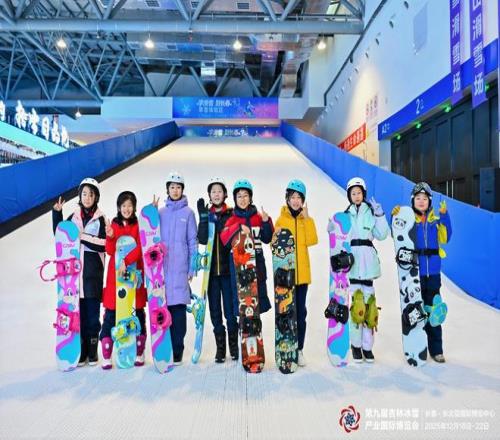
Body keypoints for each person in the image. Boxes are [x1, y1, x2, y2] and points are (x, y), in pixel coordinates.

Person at [393, 182, 452, 363]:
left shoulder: (435, 221)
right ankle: (419, 346)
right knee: (418, 310)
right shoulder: (411, 221)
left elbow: (446, 237)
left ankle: (436, 349)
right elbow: (398, 235)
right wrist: (396, 216)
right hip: (415, 273)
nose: (421, 201)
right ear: (412, 201)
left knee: (433, 311)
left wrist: (444, 216)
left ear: (429, 201)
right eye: (418, 198)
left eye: (424, 198)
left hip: (433, 273)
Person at [52, 178, 106, 367]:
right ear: (80, 196)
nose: (87, 197)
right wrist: (57, 214)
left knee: (92, 316)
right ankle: (81, 351)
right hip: (74, 279)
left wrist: (81, 237)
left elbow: (103, 244)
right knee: (80, 316)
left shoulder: (101, 219)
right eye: (84, 194)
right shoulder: (73, 217)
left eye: (91, 194)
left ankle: (92, 350)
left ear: (96, 197)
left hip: (92, 276)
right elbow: (61, 235)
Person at [100, 191, 148, 369]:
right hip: (116, 279)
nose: (126, 209)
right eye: (123, 206)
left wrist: (126, 261)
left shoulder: (138, 225)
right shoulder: (114, 224)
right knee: (111, 313)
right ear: (119, 208)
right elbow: (110, 251)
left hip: (134, 276)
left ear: (134, 207)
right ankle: (106, 354)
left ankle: (139, 351)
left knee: (137, 312)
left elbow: (141, 248)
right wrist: (110, 236)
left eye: (129, 205)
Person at [344, 177, 389, 363]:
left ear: (364, 194)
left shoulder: (370, 212)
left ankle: (368, 347)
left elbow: (382, 234)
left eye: (359, 193)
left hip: (368, 264)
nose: (356, 196)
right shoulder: (345, 214)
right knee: (357, 307)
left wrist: (380, 214)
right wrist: (332, 229)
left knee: (369, 308)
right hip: (353, 265)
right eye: (353, 193)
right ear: (349, 196)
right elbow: (339, 237)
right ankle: (356, 346)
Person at [274, 179, 318, 367]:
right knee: (286, 313)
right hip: (286, 278)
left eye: (299, 198)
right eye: (293, 197)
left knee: (300, 314)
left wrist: (307, 219)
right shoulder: (281, 220)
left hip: (302, 277)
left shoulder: (305, 220)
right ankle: (286, 346)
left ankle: (299, 349)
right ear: (287, 199)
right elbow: (275, 246)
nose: (296, 201)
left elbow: (312, 240)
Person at [197, 177, 238, 363]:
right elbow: (202, 239)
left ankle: (234, 347)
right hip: (211, 274)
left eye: (219, 191)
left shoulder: (231, 214)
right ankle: (220, 348)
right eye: (213, 192)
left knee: (230, 310)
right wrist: (203, 218)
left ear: (225, 194)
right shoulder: (208, 214)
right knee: (215, 311)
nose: (216, 194)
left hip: (228, 273)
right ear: (209, 195)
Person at [158, 171, 198, 365]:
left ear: (182, 190)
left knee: (179, 314)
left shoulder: (188, 213)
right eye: (172, 187)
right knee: (163, 311)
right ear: (168, 189)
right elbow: (151, 237)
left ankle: (178, 349)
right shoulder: (160, 213)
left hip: (180, 269)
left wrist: (192, 267)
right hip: (163, 271)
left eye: (178, 187)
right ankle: (164, 347)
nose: (175, 190)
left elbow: (192, 242)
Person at [221, 179, 274, 318]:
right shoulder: (232, 219)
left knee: (256, 305)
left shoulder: (258, 217)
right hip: (240, 267)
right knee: (244, 305)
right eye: (239, 196)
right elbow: (224, 239)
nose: (243, 199)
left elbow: (267, 238)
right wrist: (238, 227)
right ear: (235, 199)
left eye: (245, 196)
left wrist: (266, 222)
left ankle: (257, 331)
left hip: (257, 264)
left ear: (250, 198)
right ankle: (243, 329)